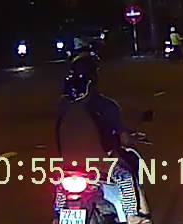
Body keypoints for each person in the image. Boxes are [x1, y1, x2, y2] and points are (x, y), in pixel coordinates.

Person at [55, 52, 151, 223]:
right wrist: (130, 139)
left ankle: (57, 216)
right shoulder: (105, 105)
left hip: (69, 167)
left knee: (61, 188)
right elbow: (124, 139)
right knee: (126, 177)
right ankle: (131, 215)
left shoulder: (64, 108)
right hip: (100, 166)